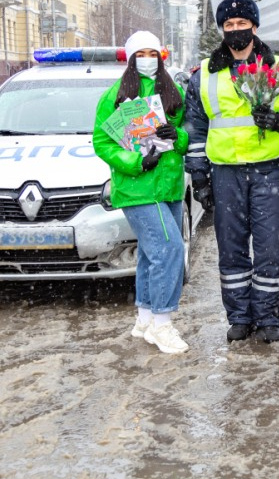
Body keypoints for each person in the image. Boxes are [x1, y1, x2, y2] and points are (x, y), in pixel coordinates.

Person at [183, 0, 279, 344]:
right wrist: (199, 177)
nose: (236, 30)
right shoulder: (205, 74)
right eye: (229, 25)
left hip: (268, 170)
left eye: (242, 23)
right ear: (222, 29)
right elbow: (196, 129)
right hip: (225, 173)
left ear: (255, 26)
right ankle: (239, 316)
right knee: (232, 247)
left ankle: (269, 319)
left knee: (271, 247)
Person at [93, 31, 190, 354]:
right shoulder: (115, 96)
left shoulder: (172, 91)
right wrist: (136, 161)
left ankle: (145, 317)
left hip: (169, 186)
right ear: (131, 59)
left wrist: (175, 135)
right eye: (141, 53)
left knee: (152, 254)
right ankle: (163, 325)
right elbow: (102, 141)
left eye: (153, 53)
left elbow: (187, 137)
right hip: (137, 188)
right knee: (170, 249)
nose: (147, 59)